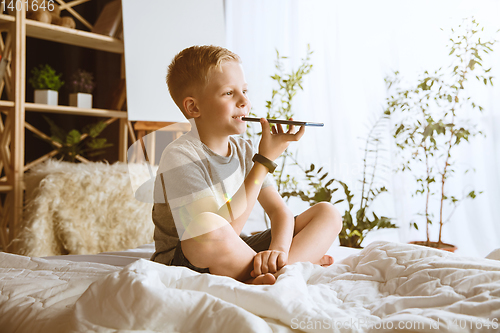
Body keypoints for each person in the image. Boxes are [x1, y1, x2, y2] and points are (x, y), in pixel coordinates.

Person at [151, 45, 342, 285]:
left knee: (328, 213)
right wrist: (263, 162)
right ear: (194, 107)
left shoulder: (245, 149)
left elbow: (279, 212)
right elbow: (221, 230)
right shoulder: (180, 155)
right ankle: (291, 269)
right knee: (207, 225)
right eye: (229, 93)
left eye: (244, 90)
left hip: (235, 251)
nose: (244, 101)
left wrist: (278, 252)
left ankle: (278, 273)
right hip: (189, 261)